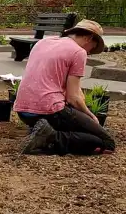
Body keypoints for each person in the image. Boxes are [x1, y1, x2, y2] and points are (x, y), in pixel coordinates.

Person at [13, 19, 116, 156]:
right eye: (92, 47)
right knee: (107, 143)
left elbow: (70, 88)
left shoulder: (42, 43)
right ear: (89, 38)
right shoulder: (78, 52)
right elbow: (73, 98)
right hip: (49, 110)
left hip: (24, 111)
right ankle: (51, 137)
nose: (89, 52)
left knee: (84, 128)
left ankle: (43, 132)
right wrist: (90, 115)